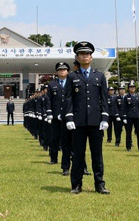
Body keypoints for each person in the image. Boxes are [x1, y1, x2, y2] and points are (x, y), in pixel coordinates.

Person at [64, 41, 109, 194]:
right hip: (78, 122)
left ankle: (100, 184)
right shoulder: (72, 77)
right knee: (78, 154)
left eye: (87, 54)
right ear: (77, 57)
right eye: (82, 54)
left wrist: (105, 118)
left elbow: (104, 99)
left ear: (91, 57)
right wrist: (69, 118)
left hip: (96, 121)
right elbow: (68, 99)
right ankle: (76, 185)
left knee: (97, 154)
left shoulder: (100, 76)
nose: (85, 56)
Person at [46, 62, 70, 170]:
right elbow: (48, 99)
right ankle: (53, 158)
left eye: (64, 69)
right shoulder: (52, 84)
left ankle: (70, 157)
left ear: (67, 71)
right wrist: (49, 113)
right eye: (60, 69)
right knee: (54, 138)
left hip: (68, 115)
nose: (62, 71)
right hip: (55, 115)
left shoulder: (71, 82)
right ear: (57, 72)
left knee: (68, 139)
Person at [122, 81, 139, 152]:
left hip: (137, 116)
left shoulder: (138, 96)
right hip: (129, 116)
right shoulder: (126, 97)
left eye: (133, 87)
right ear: (128, 89)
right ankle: (128, 146)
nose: (132, 88)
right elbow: (124, 107)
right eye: (131, 87)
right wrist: (124, 117)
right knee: (128, 132)